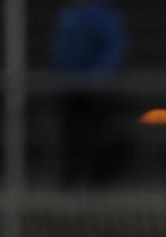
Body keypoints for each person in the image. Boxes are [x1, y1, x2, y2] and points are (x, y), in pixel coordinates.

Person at [49, 0, 128, 187]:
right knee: (71, 135)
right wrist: (64, 75)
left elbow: (113, 48)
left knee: (97, 135)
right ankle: (70, 180)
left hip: (95, 89)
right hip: (71, 86)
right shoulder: (70, 15)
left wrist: (97, 78)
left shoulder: (104, 16)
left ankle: (98, 181)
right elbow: (59, 48)